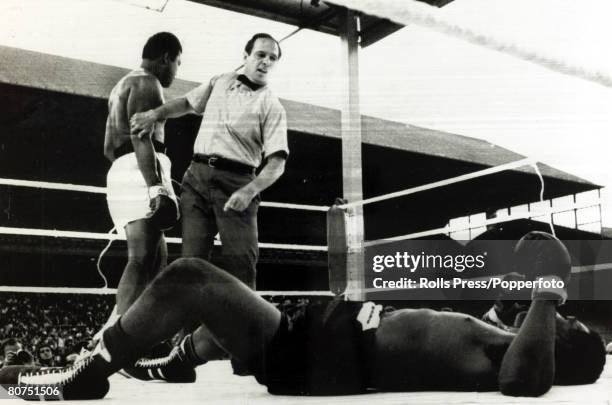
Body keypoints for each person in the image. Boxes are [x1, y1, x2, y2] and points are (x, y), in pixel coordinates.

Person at [0, 232, 605, 400]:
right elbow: (514, 306)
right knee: (218, 324)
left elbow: (525, 382)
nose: (555, 317)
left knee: (191, 279)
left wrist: (551, 294)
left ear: (559, 350)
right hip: (319, 334)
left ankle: (94, 370)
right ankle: (172, 366)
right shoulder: (500, 332)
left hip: (314, 353)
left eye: (566, 328)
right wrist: (532, 279)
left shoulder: (512, 361)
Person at [130, 33, 288, 289]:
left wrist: (249, 191)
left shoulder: (272, 106)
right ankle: (189, 330)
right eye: (261, 55)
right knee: (190, 266)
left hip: (237, 184)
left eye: (273, 58)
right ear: (246, 56)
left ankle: (240, 328)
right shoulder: (221, 81)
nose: (266, 62)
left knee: (241, 267)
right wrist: (153, 114)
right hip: (197, 179)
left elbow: (277, 163)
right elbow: (187, 103)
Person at [102, 32, 182, 317]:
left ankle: (128, 337)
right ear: (166, 58)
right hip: (142, 169)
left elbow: (108, 148)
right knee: (141, 258)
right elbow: (140, 138)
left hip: (124, 169)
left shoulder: (120, 87)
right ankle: (116, 346)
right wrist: (155, 187)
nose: (176, 70)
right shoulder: (149, 82)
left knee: (157, 262)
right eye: (178, 63)